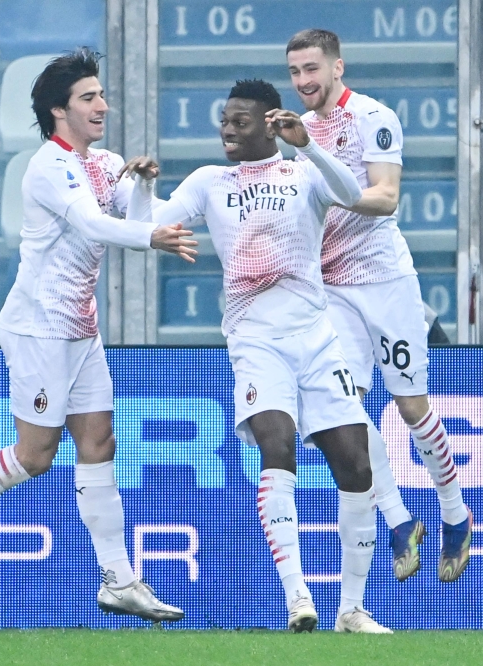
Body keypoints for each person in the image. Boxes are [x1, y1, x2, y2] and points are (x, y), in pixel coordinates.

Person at [0, 48, 195, 623]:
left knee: (99, 444)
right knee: (35, 456)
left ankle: (119, 579)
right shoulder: (48, 166)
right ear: (59, 111)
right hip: (38, 327)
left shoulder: (105, 162)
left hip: (80, 328)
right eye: (89, 97)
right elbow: (91, 223)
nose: (102, 105)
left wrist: (141, 188)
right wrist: (153, 235)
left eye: (101, 94)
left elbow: (136, 215)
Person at [151, 79, 381, 633]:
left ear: (268, 122)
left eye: (240, 121)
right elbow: (154, 219)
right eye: (224, 121)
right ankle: (298, 597)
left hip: (317, 339)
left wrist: (308, 143)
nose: (228, 129)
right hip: (255, 339)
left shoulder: (303, 173)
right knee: (277, 448)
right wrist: (139, 189)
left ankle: (352, 609)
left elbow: (354, 193)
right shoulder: (211, 182)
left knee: (357, 466)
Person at [286, 29, 473, 595]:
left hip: (386, 283)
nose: (303, 81)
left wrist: (317, 172)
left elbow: (385, 197)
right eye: (294, 72)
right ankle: (399, 521)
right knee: (340, 412)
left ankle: (454, 512)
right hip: (332, 288)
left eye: (312, 68)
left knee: (412, 408)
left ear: (338, 66)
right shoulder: (297, 132)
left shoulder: (373, 116)